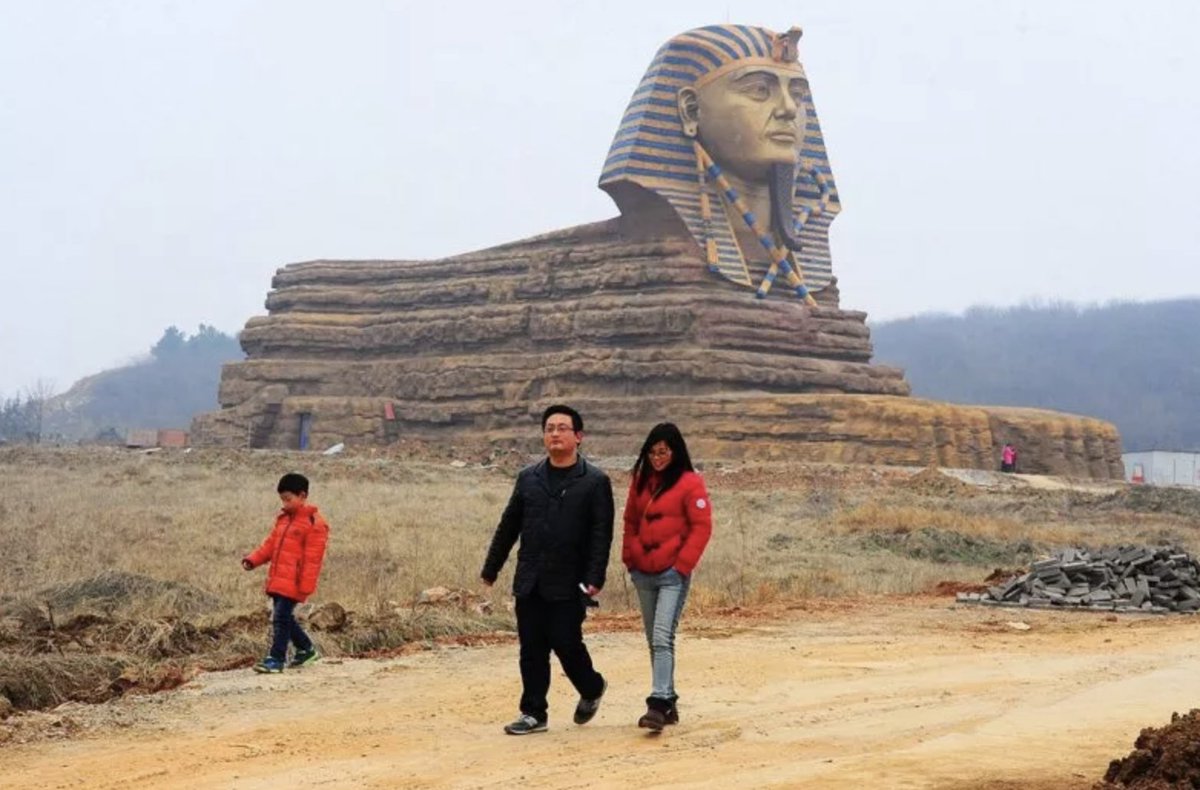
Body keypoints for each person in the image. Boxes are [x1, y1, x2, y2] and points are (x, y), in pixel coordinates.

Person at [481, 404, 614, 735]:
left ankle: (592, 686)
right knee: (532, 647)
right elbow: (509, 525)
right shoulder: (529, 478)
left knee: (567, 642)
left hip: (571, 581)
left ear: (578, 437)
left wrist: (594, 579)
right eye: (549, 428)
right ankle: (533, 712)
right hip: (531, 578)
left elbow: (601, 533)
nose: (554, 433)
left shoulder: (595, 481)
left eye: (562, 428)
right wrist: (491, 567)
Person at [622, 423, 713, 731]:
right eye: (652, 452)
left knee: (662, 636)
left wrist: (681, 566)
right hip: (643, 572)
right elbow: (630, 521)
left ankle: (658, 703)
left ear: (675, 452)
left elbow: (702, 527)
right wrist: (630, 558)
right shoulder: (640, 481)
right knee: (654, 640)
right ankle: (669, 702)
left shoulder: (690, 483)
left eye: (663, 452)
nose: (657, 458)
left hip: (671, 574)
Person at [242, 472, 331, 673]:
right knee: (284, 618)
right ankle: (306, 649)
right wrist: (253, 560)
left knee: (280, 617)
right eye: (282, 499)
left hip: (295, 582)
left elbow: (312, 560)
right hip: (278, 579)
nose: (284, 503)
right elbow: (270, 545)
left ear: (302, 495)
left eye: (288, 499)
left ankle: (276, 658)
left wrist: (305, 586)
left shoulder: (315, 524)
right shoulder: (283, 520)